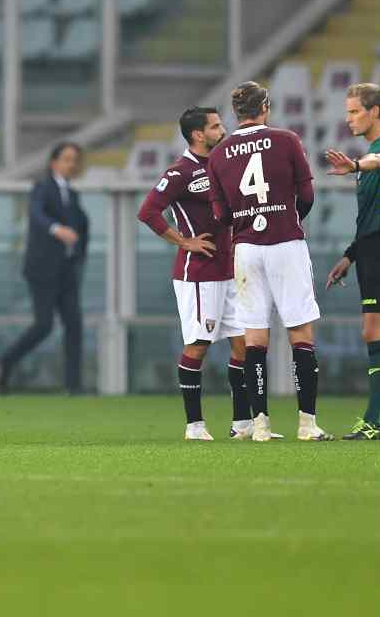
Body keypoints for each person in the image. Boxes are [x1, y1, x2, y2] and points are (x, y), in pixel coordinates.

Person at [205, 81, 332, 442]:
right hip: (285, 243)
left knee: (255, 337)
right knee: (300, 332)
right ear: (265, 108)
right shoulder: (287, 140)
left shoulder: (218, 154)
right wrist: (286, 218)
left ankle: (260, 424)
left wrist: (249, 220)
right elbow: (306, 195)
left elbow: (220, 214)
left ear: (236, 113)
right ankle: (307, 424)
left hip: (246, 249)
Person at [138, 107, 266, 441]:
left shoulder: (223, 163)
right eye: (215, 126)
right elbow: (148, 211)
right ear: (198, 134)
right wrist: (184, 241)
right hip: (198, 275)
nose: (222, 130)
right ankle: (194, 426)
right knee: (198, 345)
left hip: (229, 271)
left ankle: (242, 424)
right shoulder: (180, 172)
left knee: (242, 345)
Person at [324, 83, 380, 440]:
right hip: (374, 246)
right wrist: (350, 255)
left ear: (374, 111)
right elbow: (369, 217)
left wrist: (358, 164)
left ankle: (373, 421)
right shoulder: (368, 158)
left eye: (354, 112)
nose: (349, 120)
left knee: (372, 329)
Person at [0, 142, 88, 394]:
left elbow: (81, 228)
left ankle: (73, 385)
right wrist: (57, 229)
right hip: (43, 270)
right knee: (44, 325)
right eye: (67, 159)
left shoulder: (74, 194)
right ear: (54, 162)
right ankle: (7, 361)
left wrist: (79, 257)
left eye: (75, 159)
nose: (72, 164)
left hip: (67, 271)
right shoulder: (42, 188)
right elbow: (36, 215)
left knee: (74, 324)